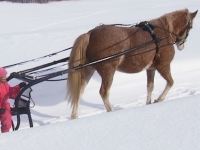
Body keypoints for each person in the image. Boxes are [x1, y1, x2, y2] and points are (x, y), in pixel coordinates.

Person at [0, 67, 26, 133]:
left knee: (7, 122)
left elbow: (11, 92)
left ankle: (5, 135)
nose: (5, 77)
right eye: (3, 76)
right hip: (1, 108)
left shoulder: (5, 84)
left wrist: (19, 86)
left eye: (5, 76)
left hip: (5, 107)